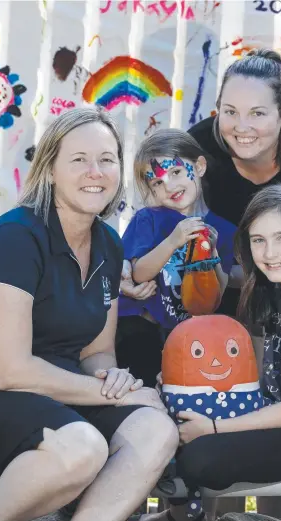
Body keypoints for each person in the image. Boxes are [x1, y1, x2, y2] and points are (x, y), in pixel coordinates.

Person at [0, 107, 179, 521]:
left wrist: (112, 377)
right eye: (79, 160)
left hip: (63, 395)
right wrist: (109, 393)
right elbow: (10, 371)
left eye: (106, 160)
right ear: (51, 170)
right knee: (82, 446)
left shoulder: (108, 244)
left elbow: (96, 352)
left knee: (155, 429)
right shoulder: (14, 237)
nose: (95, 171)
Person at [136, 183, 281, 521]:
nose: (269, 252)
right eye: (258, 240)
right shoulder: (275, 293)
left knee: (200, 458)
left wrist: (215, 427)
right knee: (165, 435)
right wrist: (188, 386)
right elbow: (259, 382)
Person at [116, 128, 237, 387]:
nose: (169, 186)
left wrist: (212, 254)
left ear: (200, 166)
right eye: (157, 182)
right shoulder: (149, 219)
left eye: (176, 172)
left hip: (185, 333)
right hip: (139, 328)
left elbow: (218, 294)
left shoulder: (224, 231)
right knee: (145, 385)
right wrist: (173, 240)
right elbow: (138, 274)